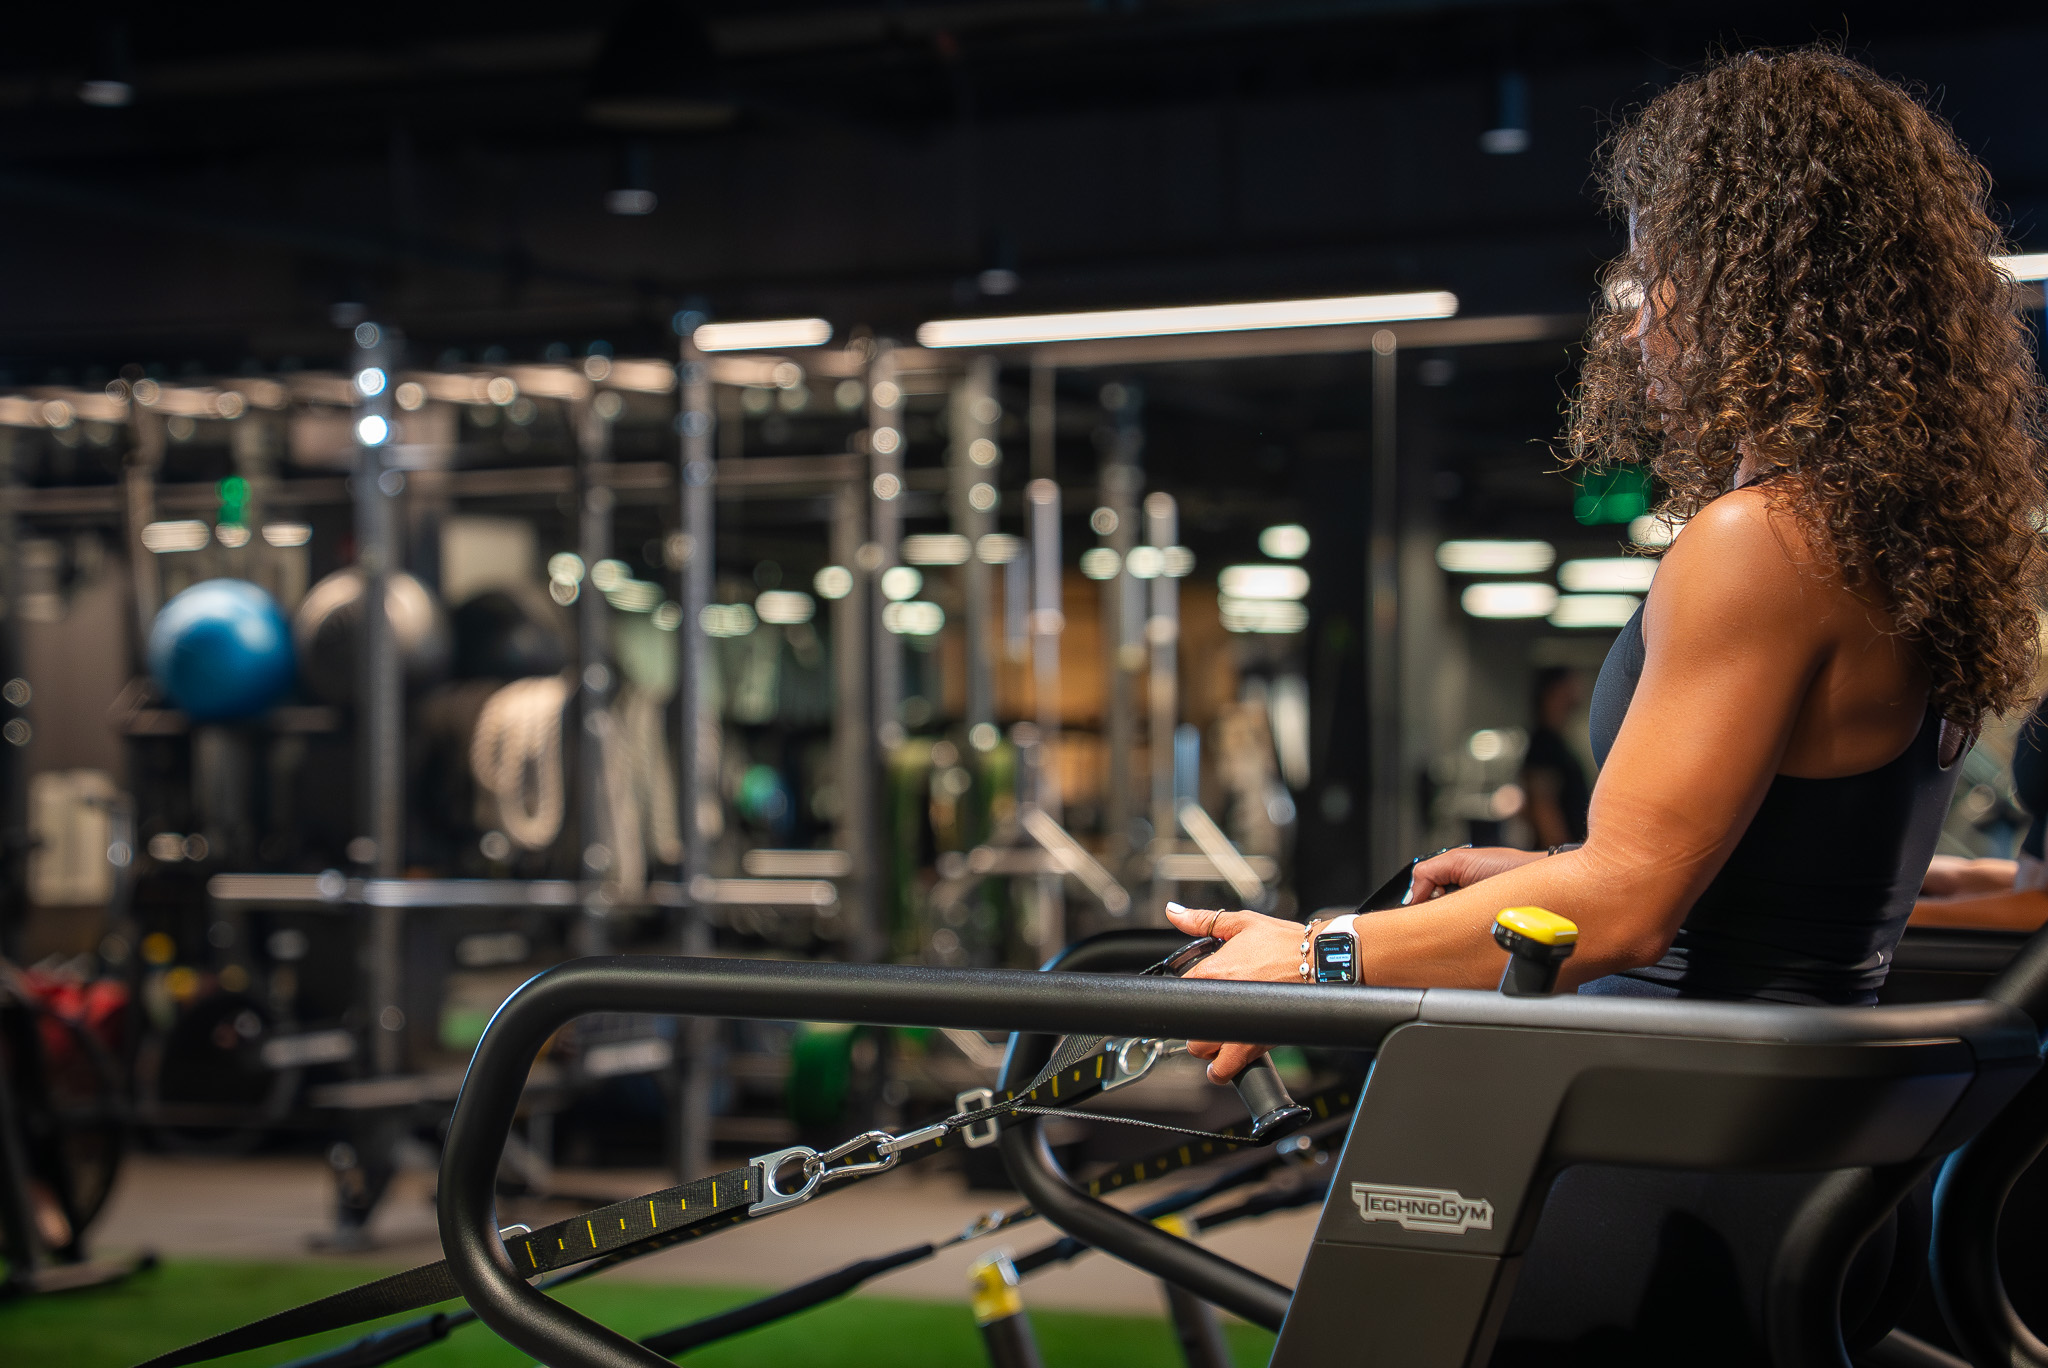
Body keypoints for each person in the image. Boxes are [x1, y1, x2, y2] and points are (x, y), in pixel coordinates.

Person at [1169, 49, 2048, 1085]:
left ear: (1754, 290)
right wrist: (1551, 873)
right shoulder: (1879, 537)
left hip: (1672, 1102)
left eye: (1657, 277)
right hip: (1776, 1100)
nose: (1633, 325)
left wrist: (1313, 955)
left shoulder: (1760, 541)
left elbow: (1626, 911)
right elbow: (1787, 868)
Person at [1521, 667, 1591, 848]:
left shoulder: (1557, 741)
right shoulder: (1544, 744)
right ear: (1555, 690)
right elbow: (1543, 807)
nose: (1577, 690)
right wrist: (1562, 854)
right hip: (1559, 855)